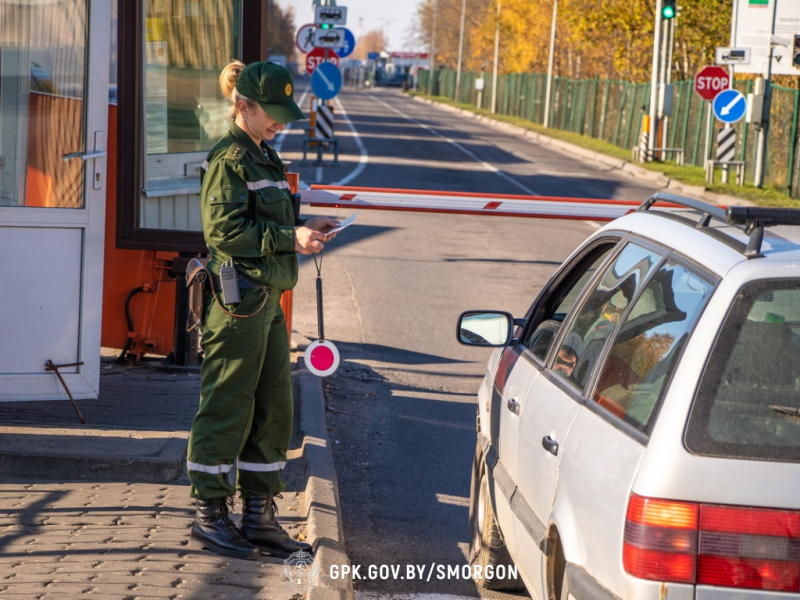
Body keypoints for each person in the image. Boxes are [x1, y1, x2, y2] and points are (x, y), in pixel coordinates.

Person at [187, 60, 338, 561]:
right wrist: (290, 237)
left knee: (274, 409)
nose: (279, 122)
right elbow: (224, 232)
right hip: (240, 303)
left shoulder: (264, 154)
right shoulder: (230, 158)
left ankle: (258, 516)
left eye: (282, 113)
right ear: (244, 106)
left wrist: (307, 225)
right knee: (227, 405)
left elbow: (267, 217)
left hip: (267, 300)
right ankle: (210, 515)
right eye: (271, 112)